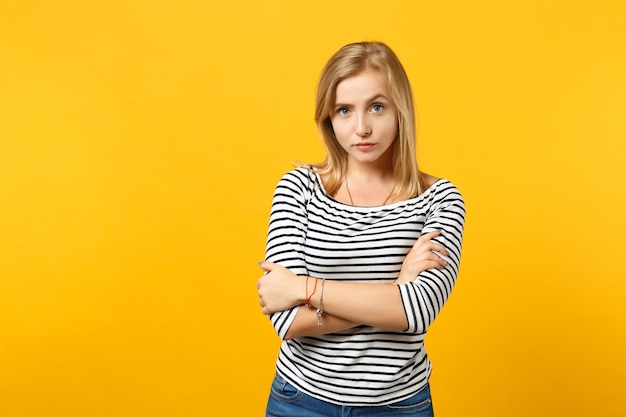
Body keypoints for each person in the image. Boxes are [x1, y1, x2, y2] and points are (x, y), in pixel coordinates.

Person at [257, 41, 465, 417]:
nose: (362, 127)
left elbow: (416, 312)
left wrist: (306, 290)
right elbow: (288, 321)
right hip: (299, 401)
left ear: (400, 110)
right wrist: (394, 290)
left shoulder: (439, 199)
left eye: (377, 107)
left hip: (399, 406)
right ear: (329, 119)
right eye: (344, 111)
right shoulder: (298, 188)